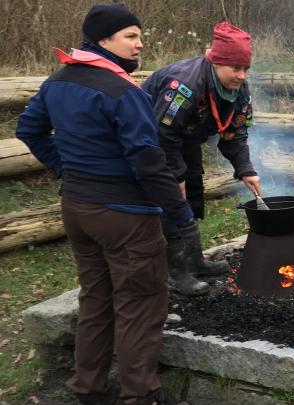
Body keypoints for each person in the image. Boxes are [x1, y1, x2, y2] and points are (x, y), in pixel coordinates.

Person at [14, 4, 196, 404]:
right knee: (140, 304)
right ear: (102, 40)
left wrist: (68, 170)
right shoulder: (122, 91)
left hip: (78, 209)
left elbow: (28, 128)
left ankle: (89, 389)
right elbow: (148, 162)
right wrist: (181, 215)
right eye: (130, 35)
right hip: (124, 217)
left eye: (140, 36)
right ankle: (140, 395)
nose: (139, 43)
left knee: (95, 298)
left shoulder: (59, 80)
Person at [142, 22, 260, 296]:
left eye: (246, 68)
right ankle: (176, 272)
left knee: (192, 194)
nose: (242, 75)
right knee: (172, 202)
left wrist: (246, 169)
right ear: (215, 61)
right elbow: (162, 133)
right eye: (235, 68)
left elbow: (237, 132)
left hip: (185, 140)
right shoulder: (185, 84)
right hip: (152, 143)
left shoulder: (240, 90)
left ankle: (194, 260)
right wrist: (176, 175)